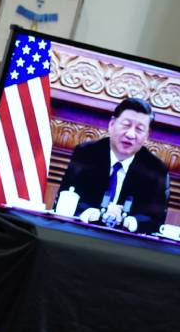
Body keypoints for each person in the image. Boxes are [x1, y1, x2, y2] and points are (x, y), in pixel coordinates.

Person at [56, 98, 169, 234]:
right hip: (81, 234)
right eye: (126, 125)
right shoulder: (86, 154)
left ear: (147, 135)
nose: (130, 134)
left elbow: (155, 220)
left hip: (127, 245)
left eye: (139, 129)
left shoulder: (155, 169)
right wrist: (92, 213)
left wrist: (129, 222)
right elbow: (65, 199)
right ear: (112, 124)